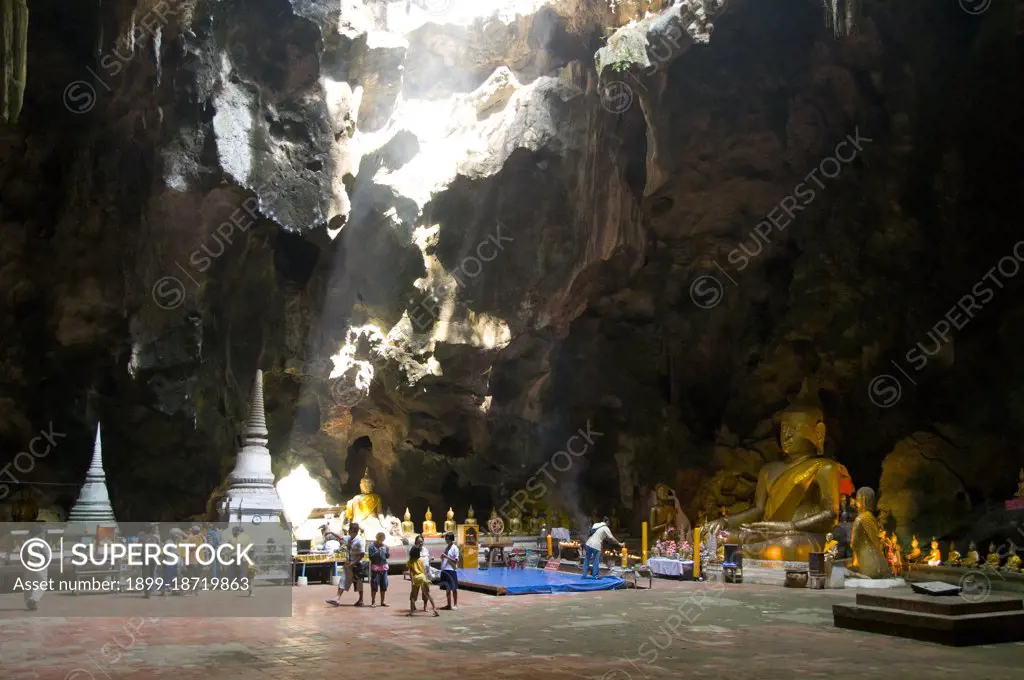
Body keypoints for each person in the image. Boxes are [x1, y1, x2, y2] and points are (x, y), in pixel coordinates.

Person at [329, 523, 365, 606]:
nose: (349, 533)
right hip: (348, 564)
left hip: (356, 565)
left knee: (358, 583)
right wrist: (331, 533)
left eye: (351, 531)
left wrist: (354, 563)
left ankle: (361, 600)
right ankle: (337, 598)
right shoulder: (349, 538)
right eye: (349, 531)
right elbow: (340, 538)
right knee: (343, 580)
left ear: (356, 532)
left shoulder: (359, 540)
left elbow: (362, 554)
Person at [406, 544, 438, 617]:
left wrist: (412, 581)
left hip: (416, 578)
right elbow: (423, 570)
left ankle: (411, 612)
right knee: (428, 594)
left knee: (413, 596)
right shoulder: (421, 560)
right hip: (423, 577)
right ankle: (435, 609)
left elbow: (411, 572)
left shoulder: (410, 561)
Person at [368, 531, 390, 607]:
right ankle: (373, 602)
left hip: (384, 567)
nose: (381, 541)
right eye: (380, 539)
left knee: (384, 584)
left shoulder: (385, 546)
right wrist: (378, 551)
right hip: (375, 567)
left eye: (382, 540)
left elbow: (387, 556)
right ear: (377, 538)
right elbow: (371, 557)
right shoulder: (371, 546)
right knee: (374, 584)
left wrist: (387, 551)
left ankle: (382, 601)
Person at [438, 531, 459, 610]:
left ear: (450, 539)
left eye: (447, 538)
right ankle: (448, 604)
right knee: (447, 588)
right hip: (445, 569)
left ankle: (455, 604)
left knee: (454, 588)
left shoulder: (454, 548)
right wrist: (443, 557)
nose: (445, 540)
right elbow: (444, 557)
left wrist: (446, 557)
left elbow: (456, 561)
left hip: (451, 569)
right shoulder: (447, 547)